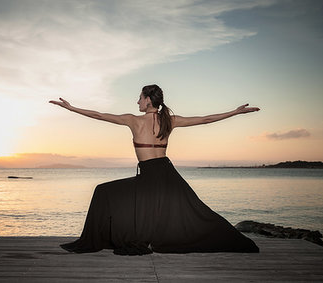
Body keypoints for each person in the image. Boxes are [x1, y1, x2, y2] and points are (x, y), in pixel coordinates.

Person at [49, 84, 260, 255]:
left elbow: (99, 115)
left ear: (148, 100)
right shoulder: (170, 121)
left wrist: (71, 108)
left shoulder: (133, 121)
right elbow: (205, 120)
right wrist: (235, 112)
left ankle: (97, 240)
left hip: (151, 176)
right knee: (197, 212)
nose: (137, 101)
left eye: (140, 97)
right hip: (167, 175)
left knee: (102, 192)